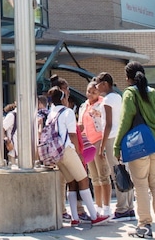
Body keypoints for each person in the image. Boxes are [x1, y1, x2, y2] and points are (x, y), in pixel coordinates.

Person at [114, 62, 155, 239]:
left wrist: (117, 146)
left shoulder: (129, 93)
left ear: (127, 77)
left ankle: (144, 226)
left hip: (140, 144)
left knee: (141, 186)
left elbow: (125, 120)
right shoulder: (154, 93)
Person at [46, 87, 107, 226]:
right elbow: (72, 135)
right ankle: (94, 216)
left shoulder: (51, 113)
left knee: (71, 183)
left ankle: (74, 218)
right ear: (63, 98)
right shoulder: (67, 112)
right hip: (68, 150)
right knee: (83, 180)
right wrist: (79, 154)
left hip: (56, 153)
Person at [96, 72, 134, 221]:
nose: (97, 87)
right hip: (122, 137)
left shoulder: (107, 100)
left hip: (112, 138)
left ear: (105, 83)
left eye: (98, 84)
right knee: (125, 171)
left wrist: (102, 146)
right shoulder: (118, 97)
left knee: (117, 173)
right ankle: (129, 207)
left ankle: (121, 209)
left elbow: (108, 124)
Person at [79, 79, 111, 218]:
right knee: (94, 177)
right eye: (89, 91)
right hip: (88, 142)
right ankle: (98, 206)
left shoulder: (102, 103)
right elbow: (81, 124)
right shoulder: (83, 106)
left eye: (94, 92)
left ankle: (107, 207)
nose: (91, 94)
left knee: (103, 174)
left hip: (99, 139)